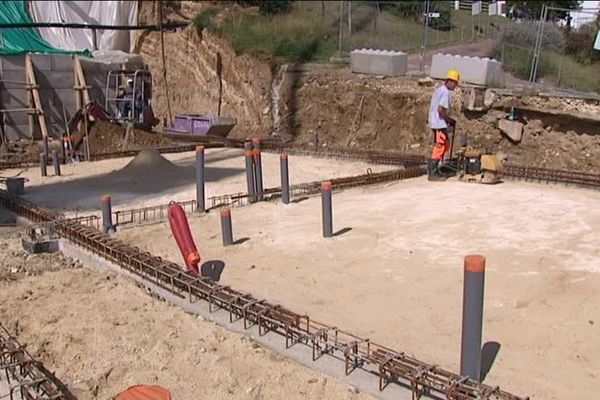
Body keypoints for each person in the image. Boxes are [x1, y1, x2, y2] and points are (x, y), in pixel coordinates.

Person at [428, 69, 459, 181]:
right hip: (438, 123)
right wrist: (449, 120)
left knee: (446, 144)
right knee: (441, 146)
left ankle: (435, 167)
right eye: (455, 83)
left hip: (435, 122)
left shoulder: (439, 90)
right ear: (450, 81)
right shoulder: (445, 92)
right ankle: (432, 172)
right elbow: (441, 110)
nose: (456, 86)